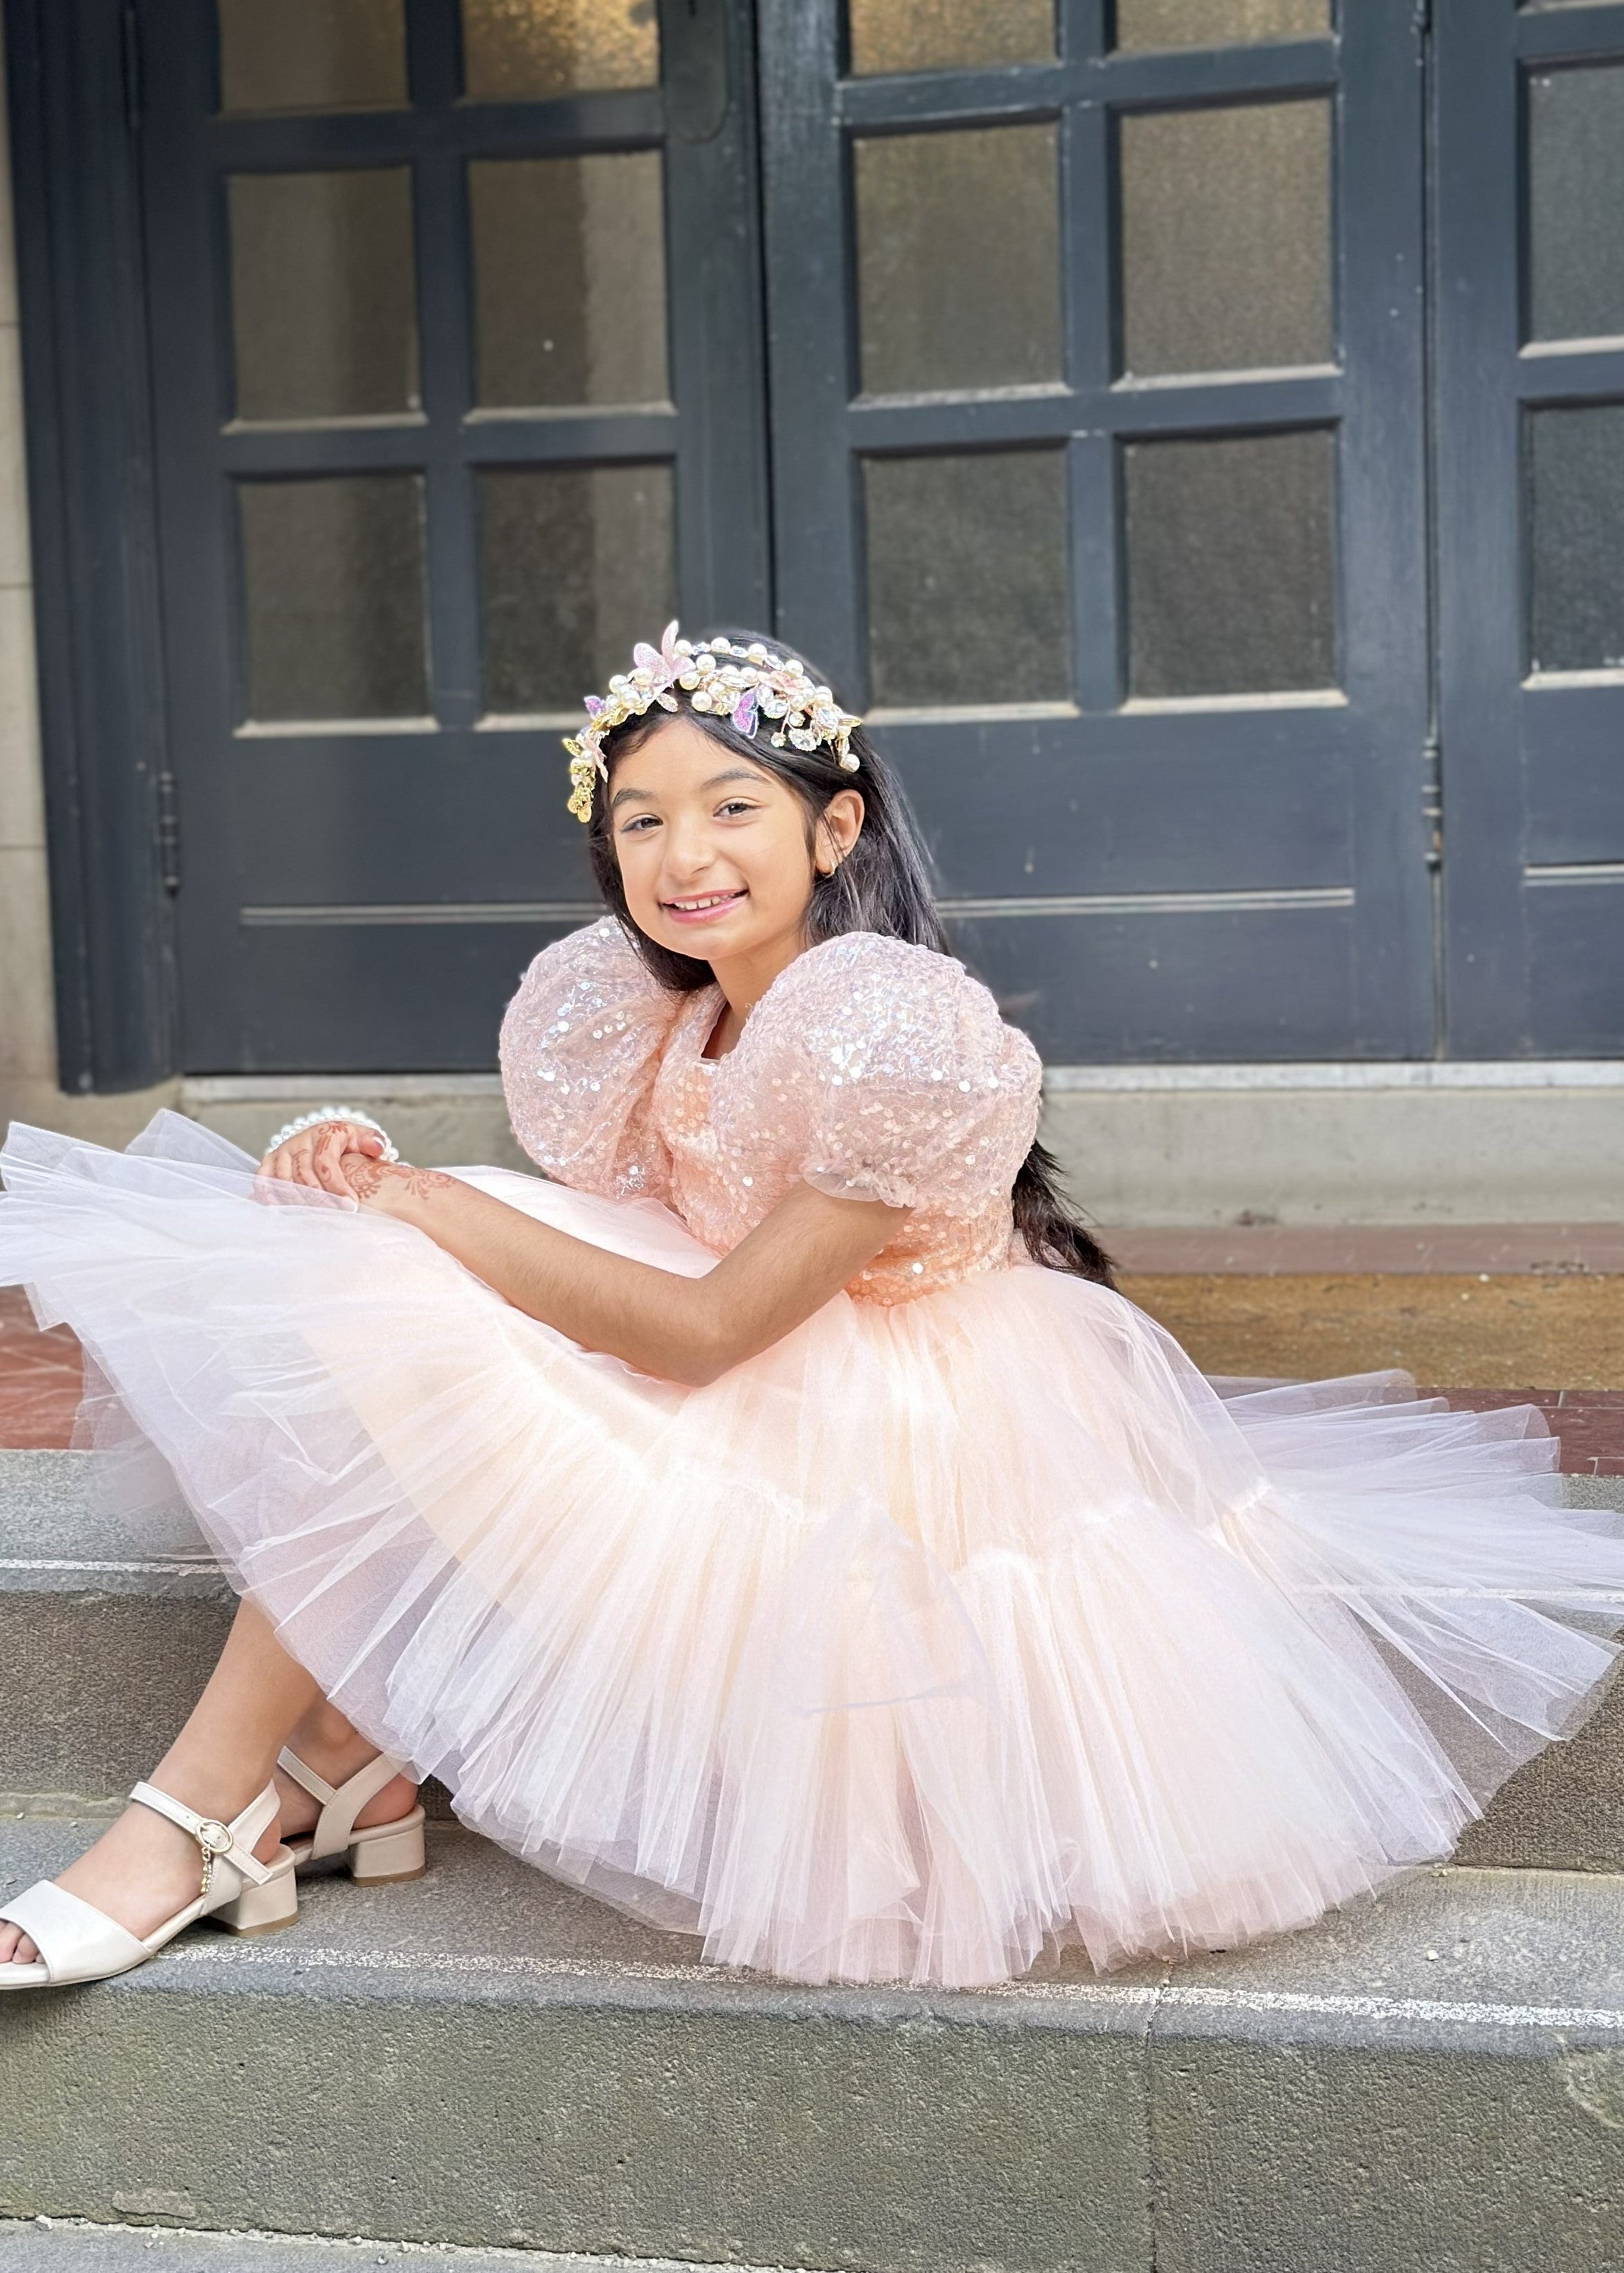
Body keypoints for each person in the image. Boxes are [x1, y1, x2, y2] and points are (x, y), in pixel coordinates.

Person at [3, 623, 1622, 1993]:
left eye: (728, 808)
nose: (681, 858)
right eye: (637, 823)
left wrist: (424, 1210)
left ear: (834, 833)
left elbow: (706, 1332)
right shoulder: (649, 1021)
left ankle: (217, 1810)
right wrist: (384, 1192)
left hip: (903, 1435)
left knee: (413, 1266)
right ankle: (339, 1767)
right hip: (748, 1342)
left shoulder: (882, 1029)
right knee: (377, 1279)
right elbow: (640, 1232)